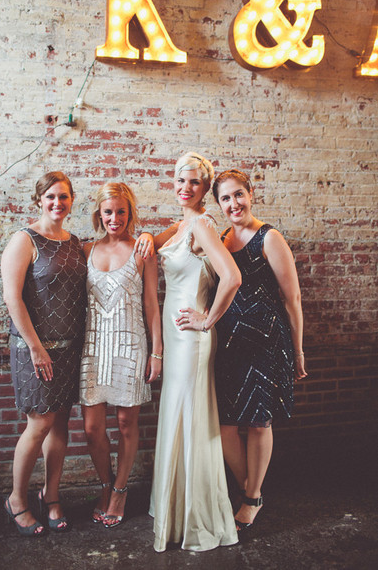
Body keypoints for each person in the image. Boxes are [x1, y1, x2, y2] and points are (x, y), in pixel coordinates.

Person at [138, 152, 241, 552]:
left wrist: (207, 320)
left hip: (192, 339)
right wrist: (148, 235)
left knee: (192, 417)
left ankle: (196, 515)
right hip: (175, 339)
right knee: (178, 413)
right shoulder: (183, 223)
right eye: (180, 180)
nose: (185, 187)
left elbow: (232, 277)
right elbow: (156, 243)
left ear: (205, 188)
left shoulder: (201, 224)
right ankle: (176, 509)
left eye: (194, 182)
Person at [212, 168, 307, 531]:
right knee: (225, 426)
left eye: (239, 194)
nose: (234, 203)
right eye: (225, 198)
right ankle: (248, 487)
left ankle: (251, 498)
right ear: (218, 204)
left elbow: (292, 299)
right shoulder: (220, 239)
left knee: (257, 422)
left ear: (251, 193)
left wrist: (298, 351)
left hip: (267, 343)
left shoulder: (269, 238)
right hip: (230, 346)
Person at [1, 171, 87, 536]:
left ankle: (51, 496)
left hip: (68, 350)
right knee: (39, 424)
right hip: (33, 349)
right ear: (39, 200)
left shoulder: (75, 242)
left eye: (63, 196)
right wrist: (36, 348)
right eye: (51, 196)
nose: (57, 203)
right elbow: (12, 298)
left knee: (61, 423)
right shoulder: (24, 239)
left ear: (71, 201)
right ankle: (16, 499)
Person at [80, 182, 162, 528]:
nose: (114, 218)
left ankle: (119, 489)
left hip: (130, 346)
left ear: (130, 213)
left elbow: (151, 304)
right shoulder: (85, 249)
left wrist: (157, 352)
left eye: (121, 211)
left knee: (127, 423)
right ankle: (104, 482)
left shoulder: (143, 250)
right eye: (108, 212)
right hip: (93, 348)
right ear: (99, 214)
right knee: (91, 428)